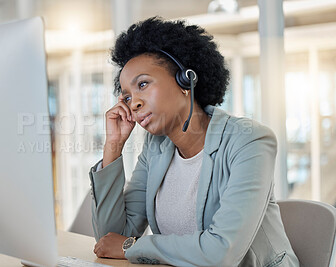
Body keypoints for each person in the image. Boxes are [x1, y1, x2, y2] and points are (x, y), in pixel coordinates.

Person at [89, 16, 299, 266]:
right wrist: (114, 146)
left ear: (185, 80)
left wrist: (131, 247)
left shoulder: (250, 141)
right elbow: (111, 238)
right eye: (126, 97)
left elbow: (222, 252)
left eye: (143, 84)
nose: (133, 103)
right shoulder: (155, 148)